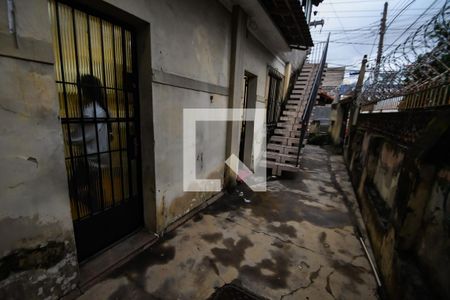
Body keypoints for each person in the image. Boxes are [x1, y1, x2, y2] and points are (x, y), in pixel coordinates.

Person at [70, 74, 111, 213]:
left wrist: (67, 137)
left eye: (81, 90)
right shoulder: (102, 108)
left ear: (85, 91)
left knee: (74, 189)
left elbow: (81, 136)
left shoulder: (90, 111)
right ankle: (102, 210)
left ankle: (98, 211)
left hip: (90, 158)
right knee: (94, 187)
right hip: (101, 155)